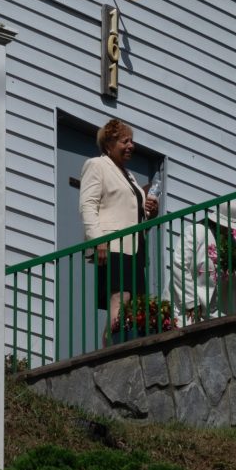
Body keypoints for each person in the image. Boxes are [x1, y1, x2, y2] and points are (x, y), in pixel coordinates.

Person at [78, 119, 158, 335]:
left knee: (130, 304)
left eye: (132, 141)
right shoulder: (97, 165)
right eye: (125, 141)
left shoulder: (129, 176)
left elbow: (134, 218)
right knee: (119, 298)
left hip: (135, 247)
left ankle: (112, 345)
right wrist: (98, 240)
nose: (131, 146)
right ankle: (116, 348)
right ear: (108, 145)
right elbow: (88, 205)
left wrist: (151, 212)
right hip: (112, 243)